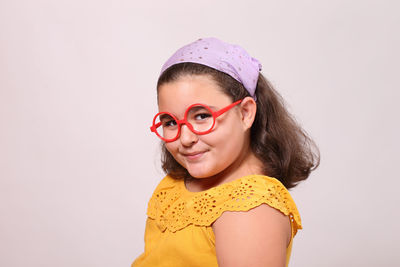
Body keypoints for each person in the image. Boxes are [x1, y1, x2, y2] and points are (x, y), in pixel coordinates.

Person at [132, 37, 319, 267]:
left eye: (201, 116)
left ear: (245, 113)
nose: (185, 138)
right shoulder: (180, 184)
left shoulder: (249, 208)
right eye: (170, 122)